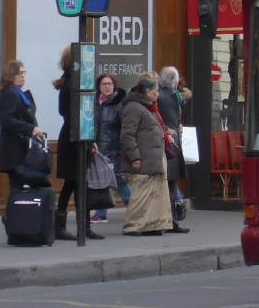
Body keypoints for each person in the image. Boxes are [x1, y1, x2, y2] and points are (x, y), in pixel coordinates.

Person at [52, 48, 104, 240]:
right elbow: (79, 115)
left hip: (73, 137)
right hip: (76, 138)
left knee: (76, 184)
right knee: (75, 183)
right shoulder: (74, 85)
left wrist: (90, 140)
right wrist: (89, 140)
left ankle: (78, 226)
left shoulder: (68, 83)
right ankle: (74, 227)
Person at [119, 74, 173, 236]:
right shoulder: (134, 107)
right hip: (143, 159)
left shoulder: (147, 107)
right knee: (141, 194)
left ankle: (152, 225)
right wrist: (134, 157)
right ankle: (132, 225)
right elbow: (127, 135)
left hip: (153, 158)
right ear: (148, 92)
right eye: (156, 90)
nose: (158, 93)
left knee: (154, 196)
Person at [0, 60, 43, 193]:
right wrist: (30, 129)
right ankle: (15, 213)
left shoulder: (19, 94)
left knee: (22, 189)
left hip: (22, 150)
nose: (23, 76)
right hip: (14, 151)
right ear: (11, 75)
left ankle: (17, 213)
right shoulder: (10, 94)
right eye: (19, 73)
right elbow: (7, 120)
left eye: (23, 73)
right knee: (17, 189)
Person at [157, 65, 190, 234]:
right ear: (174, 81)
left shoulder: (170, 95)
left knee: (170, 184)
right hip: (169, 144)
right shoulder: (165, 96)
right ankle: (170, 221)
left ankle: (170, 220)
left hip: (171, 142)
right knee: (169, 183)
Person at [92, 73, 128, 222]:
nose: (107, 86)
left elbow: (124, 126)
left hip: (114, 148)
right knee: (101, 180)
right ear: (99, 87)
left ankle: (135, 210)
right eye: (104, 84)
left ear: (114, 86)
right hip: (99, 148)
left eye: (110, 84)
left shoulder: (119, 103)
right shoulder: (95, 102)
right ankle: (101, 213)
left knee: (119, 181)